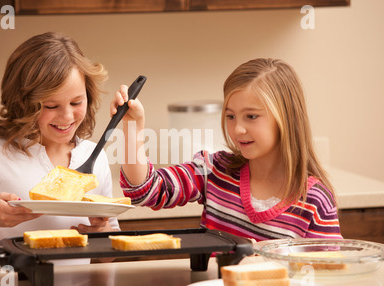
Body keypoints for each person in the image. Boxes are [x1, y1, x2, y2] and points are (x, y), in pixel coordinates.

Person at [0, 32, 119, 261]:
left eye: (76, 102)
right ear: (22, 104)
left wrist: (102, 237)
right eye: (51, 105)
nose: (67, 116)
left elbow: (108, 255)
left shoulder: (94, 157)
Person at [113, 58, 341, 241]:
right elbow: (145, 191)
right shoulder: (214, 170)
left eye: (251, 116)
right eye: (230, 116)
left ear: (286, 119)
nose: (238, 128)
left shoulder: (315, 201)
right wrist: (132, 126)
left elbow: (326, 274)